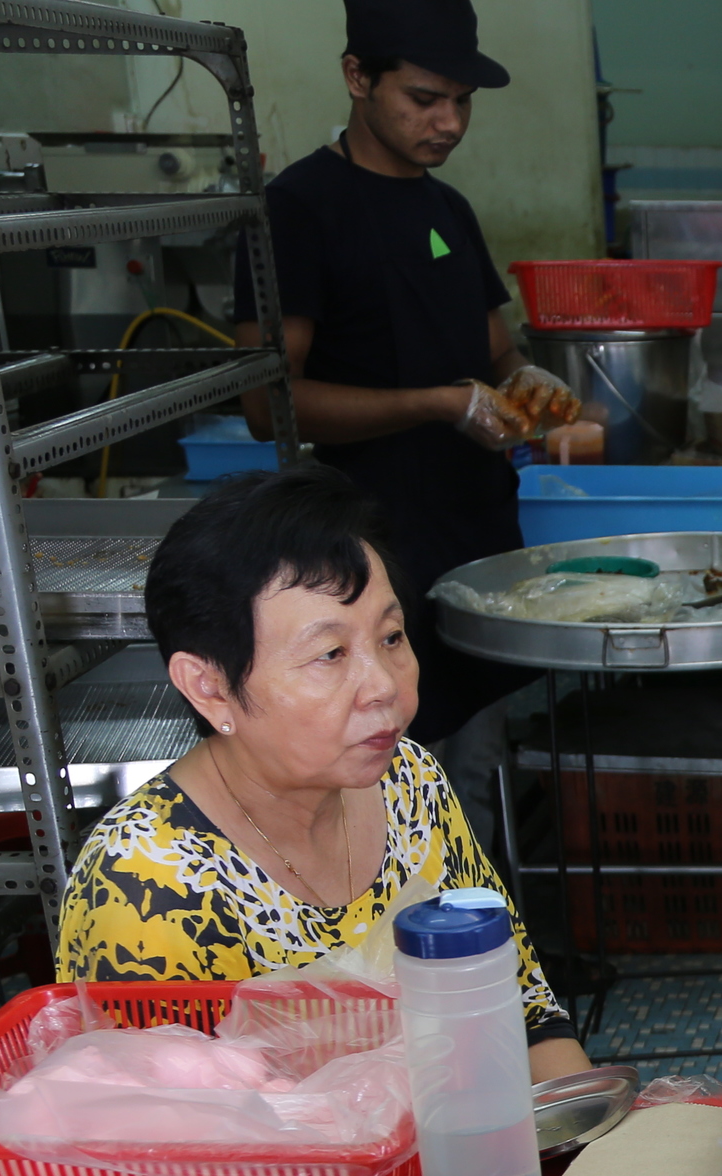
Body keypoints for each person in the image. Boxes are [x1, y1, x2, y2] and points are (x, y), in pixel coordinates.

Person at [57, 464, 590, 1081]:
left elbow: (524, 1017)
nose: (384, 686)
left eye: (391, 638)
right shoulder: (146, 890)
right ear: (209, 687)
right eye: (330, 654)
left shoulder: (407, 783)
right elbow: (171, 1155)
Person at [234, 0, 570, 756]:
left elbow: (497, 353)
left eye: (461, 103)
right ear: (357, 76)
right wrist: (440, 404)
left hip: (477, 535)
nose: (447, 122)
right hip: (373, 552)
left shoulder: (447, 208)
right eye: (424, 99)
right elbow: (267, 403)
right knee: (399, 776)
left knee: (482, 773)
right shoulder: (297, 211)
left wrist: (527, 381)